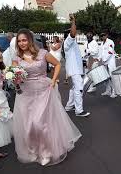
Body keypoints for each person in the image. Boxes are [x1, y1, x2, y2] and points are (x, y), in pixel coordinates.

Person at [12, 28, 82, 166]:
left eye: (24, 40)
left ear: (30, 40)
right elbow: (15, 76)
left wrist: (53, 80)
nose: (21, 43)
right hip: (25, 93)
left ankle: (46, 151)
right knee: (28, 126)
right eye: (19, 41)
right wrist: (14, 79)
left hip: (44, 90)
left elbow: (57, 64)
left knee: (41, 123)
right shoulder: (17, 58)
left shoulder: (43, 53)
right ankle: (32, 150)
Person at [64, 14, 91, 116]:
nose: (75, 34)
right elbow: (73, 32)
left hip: (76, 69)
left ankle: (69, 106)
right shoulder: (68, 41)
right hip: (74, 70)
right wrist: (73, 21)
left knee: (74, 88)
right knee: (79, 88)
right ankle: (79, 111)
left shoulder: (71, 43)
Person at [98, 32, 117, 98]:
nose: (103, 36)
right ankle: (108, 91)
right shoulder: (102, 43)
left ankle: (114, 92)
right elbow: (100, 52)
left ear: (106, 35)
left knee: (112, 77)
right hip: (104, 62)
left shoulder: (110, 42)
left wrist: (105, 59)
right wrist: (99, 58)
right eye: (101, 35)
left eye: (104, 35)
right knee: (106, 77)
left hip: (110, 62)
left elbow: (110, 51)